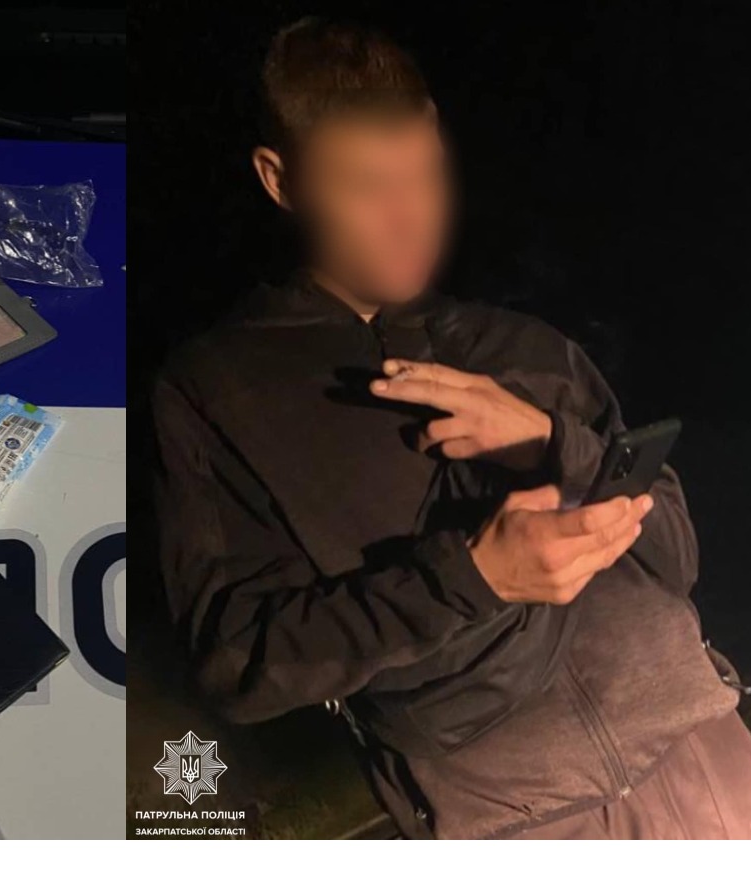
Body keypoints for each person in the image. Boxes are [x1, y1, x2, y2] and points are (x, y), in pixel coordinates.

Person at [153, 17, 751, 839]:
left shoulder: (522, 343)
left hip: (707, 749)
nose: (413, 216)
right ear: (280, 179)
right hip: (515, 816)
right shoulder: (217, 391)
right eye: (369, 186)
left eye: (426, 173)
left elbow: (676, 556)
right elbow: (236, 662)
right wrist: (471, 578)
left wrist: (555, 443)